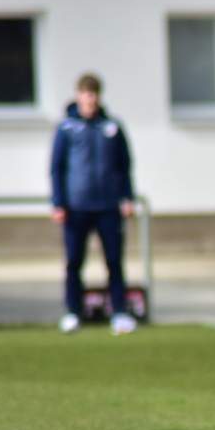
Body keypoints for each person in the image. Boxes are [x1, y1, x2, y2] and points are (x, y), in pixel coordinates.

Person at [49, 73, 137, 335]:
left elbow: (124, 166)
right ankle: (73, 312)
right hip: (76, 206)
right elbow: (57, 168)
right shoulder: (66, 128)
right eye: (86, 94)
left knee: (114, 261)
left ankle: (119, 312)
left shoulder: (111, 126)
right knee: (74, 261)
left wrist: (127, 197)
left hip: (108, 206)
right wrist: (58, 202)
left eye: (94, 94)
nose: (90, 99)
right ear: (78, 96)